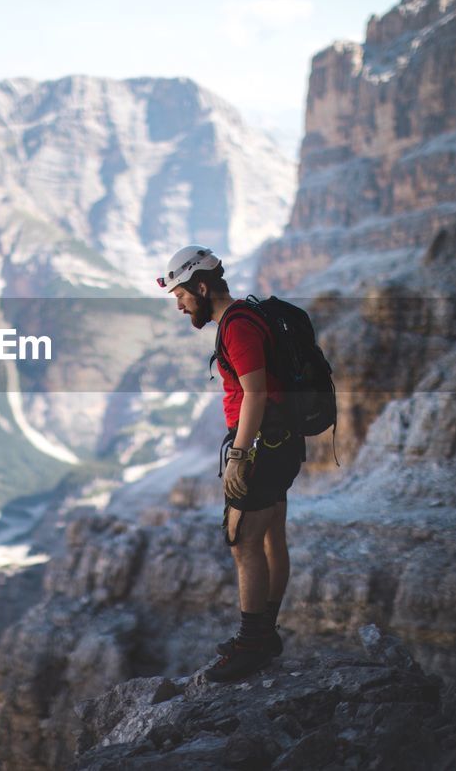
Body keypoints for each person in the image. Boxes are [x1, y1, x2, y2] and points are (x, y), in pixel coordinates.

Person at [158, 245, 305, 682]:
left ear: (202, 286)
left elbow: (255, 394)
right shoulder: (247, 316)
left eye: (182, 295)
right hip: (280, 441)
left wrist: (240, 456)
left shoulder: (237, 328)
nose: (181, 305)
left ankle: (252, 643)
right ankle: (265, 632)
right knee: (270, 538)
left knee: (243, 542)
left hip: (261, 443)